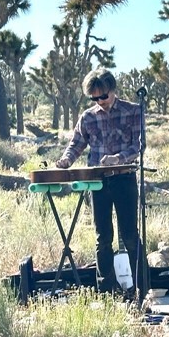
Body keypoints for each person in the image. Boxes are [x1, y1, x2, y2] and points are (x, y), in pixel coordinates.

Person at [55, 68, 144, 296]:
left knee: (130, 235)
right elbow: (76, 143)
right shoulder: (88, 117)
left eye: (103, 96)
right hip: (98, 182)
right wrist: (66, 159)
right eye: (95, 98)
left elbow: (139, 145)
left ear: (112, 90)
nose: (100, 101)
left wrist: (119, 158)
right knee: (102, 236)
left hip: (124, 178)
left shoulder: (133, 111)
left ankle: (142, 286)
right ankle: (107, 289)